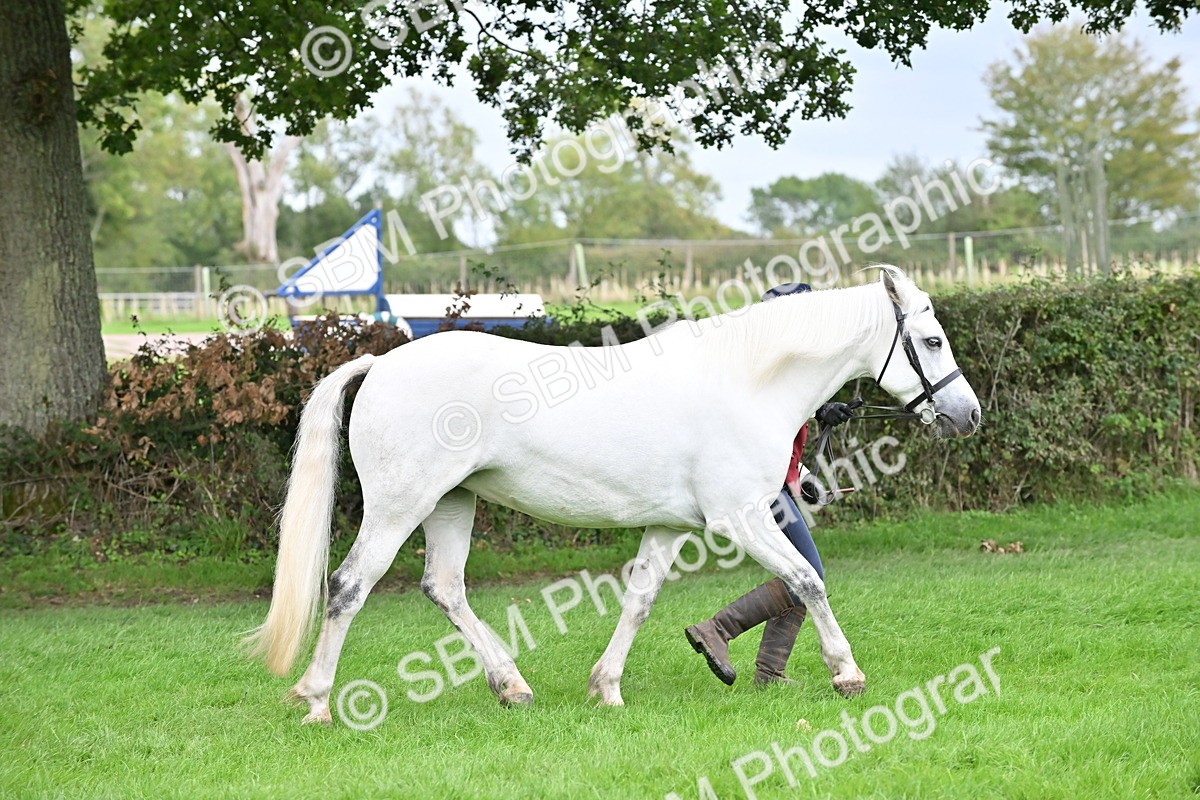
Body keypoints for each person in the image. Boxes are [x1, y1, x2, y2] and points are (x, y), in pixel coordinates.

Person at [684, 283, 856, 687]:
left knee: (803, 571)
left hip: (776, 484)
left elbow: (785, 451)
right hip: (760, 488)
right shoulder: (767, 372)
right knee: (808, 572)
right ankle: (717, 630)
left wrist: (808, 475)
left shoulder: (784, 372)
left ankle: (769, 672)